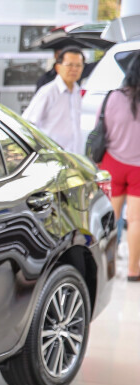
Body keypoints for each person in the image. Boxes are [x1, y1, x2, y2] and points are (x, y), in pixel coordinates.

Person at [98, 54, 140, 282]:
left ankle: (105, 268)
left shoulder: (113, 97)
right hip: (139, 168)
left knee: (110, 219)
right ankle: (134, 270)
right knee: (136, 220)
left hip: (112, 163)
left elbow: (101, 126)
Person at [23, 47, 85, 154]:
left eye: (78, 65)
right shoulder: (48, 91)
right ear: (58, 67)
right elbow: (28, 124)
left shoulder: (77, 92)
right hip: (51, 157)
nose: (74, 69)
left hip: (73, 157)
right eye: (69, 65)